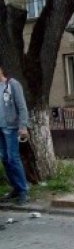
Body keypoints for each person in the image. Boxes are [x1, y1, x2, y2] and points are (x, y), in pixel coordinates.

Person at [0, 64, 30, 205]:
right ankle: (16, 188)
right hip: (0, 129)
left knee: (13, 159)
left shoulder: (12, 84)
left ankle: (23, 190)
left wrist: (23, 126)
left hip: (11, 128)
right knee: (5, 159)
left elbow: (22, 106)